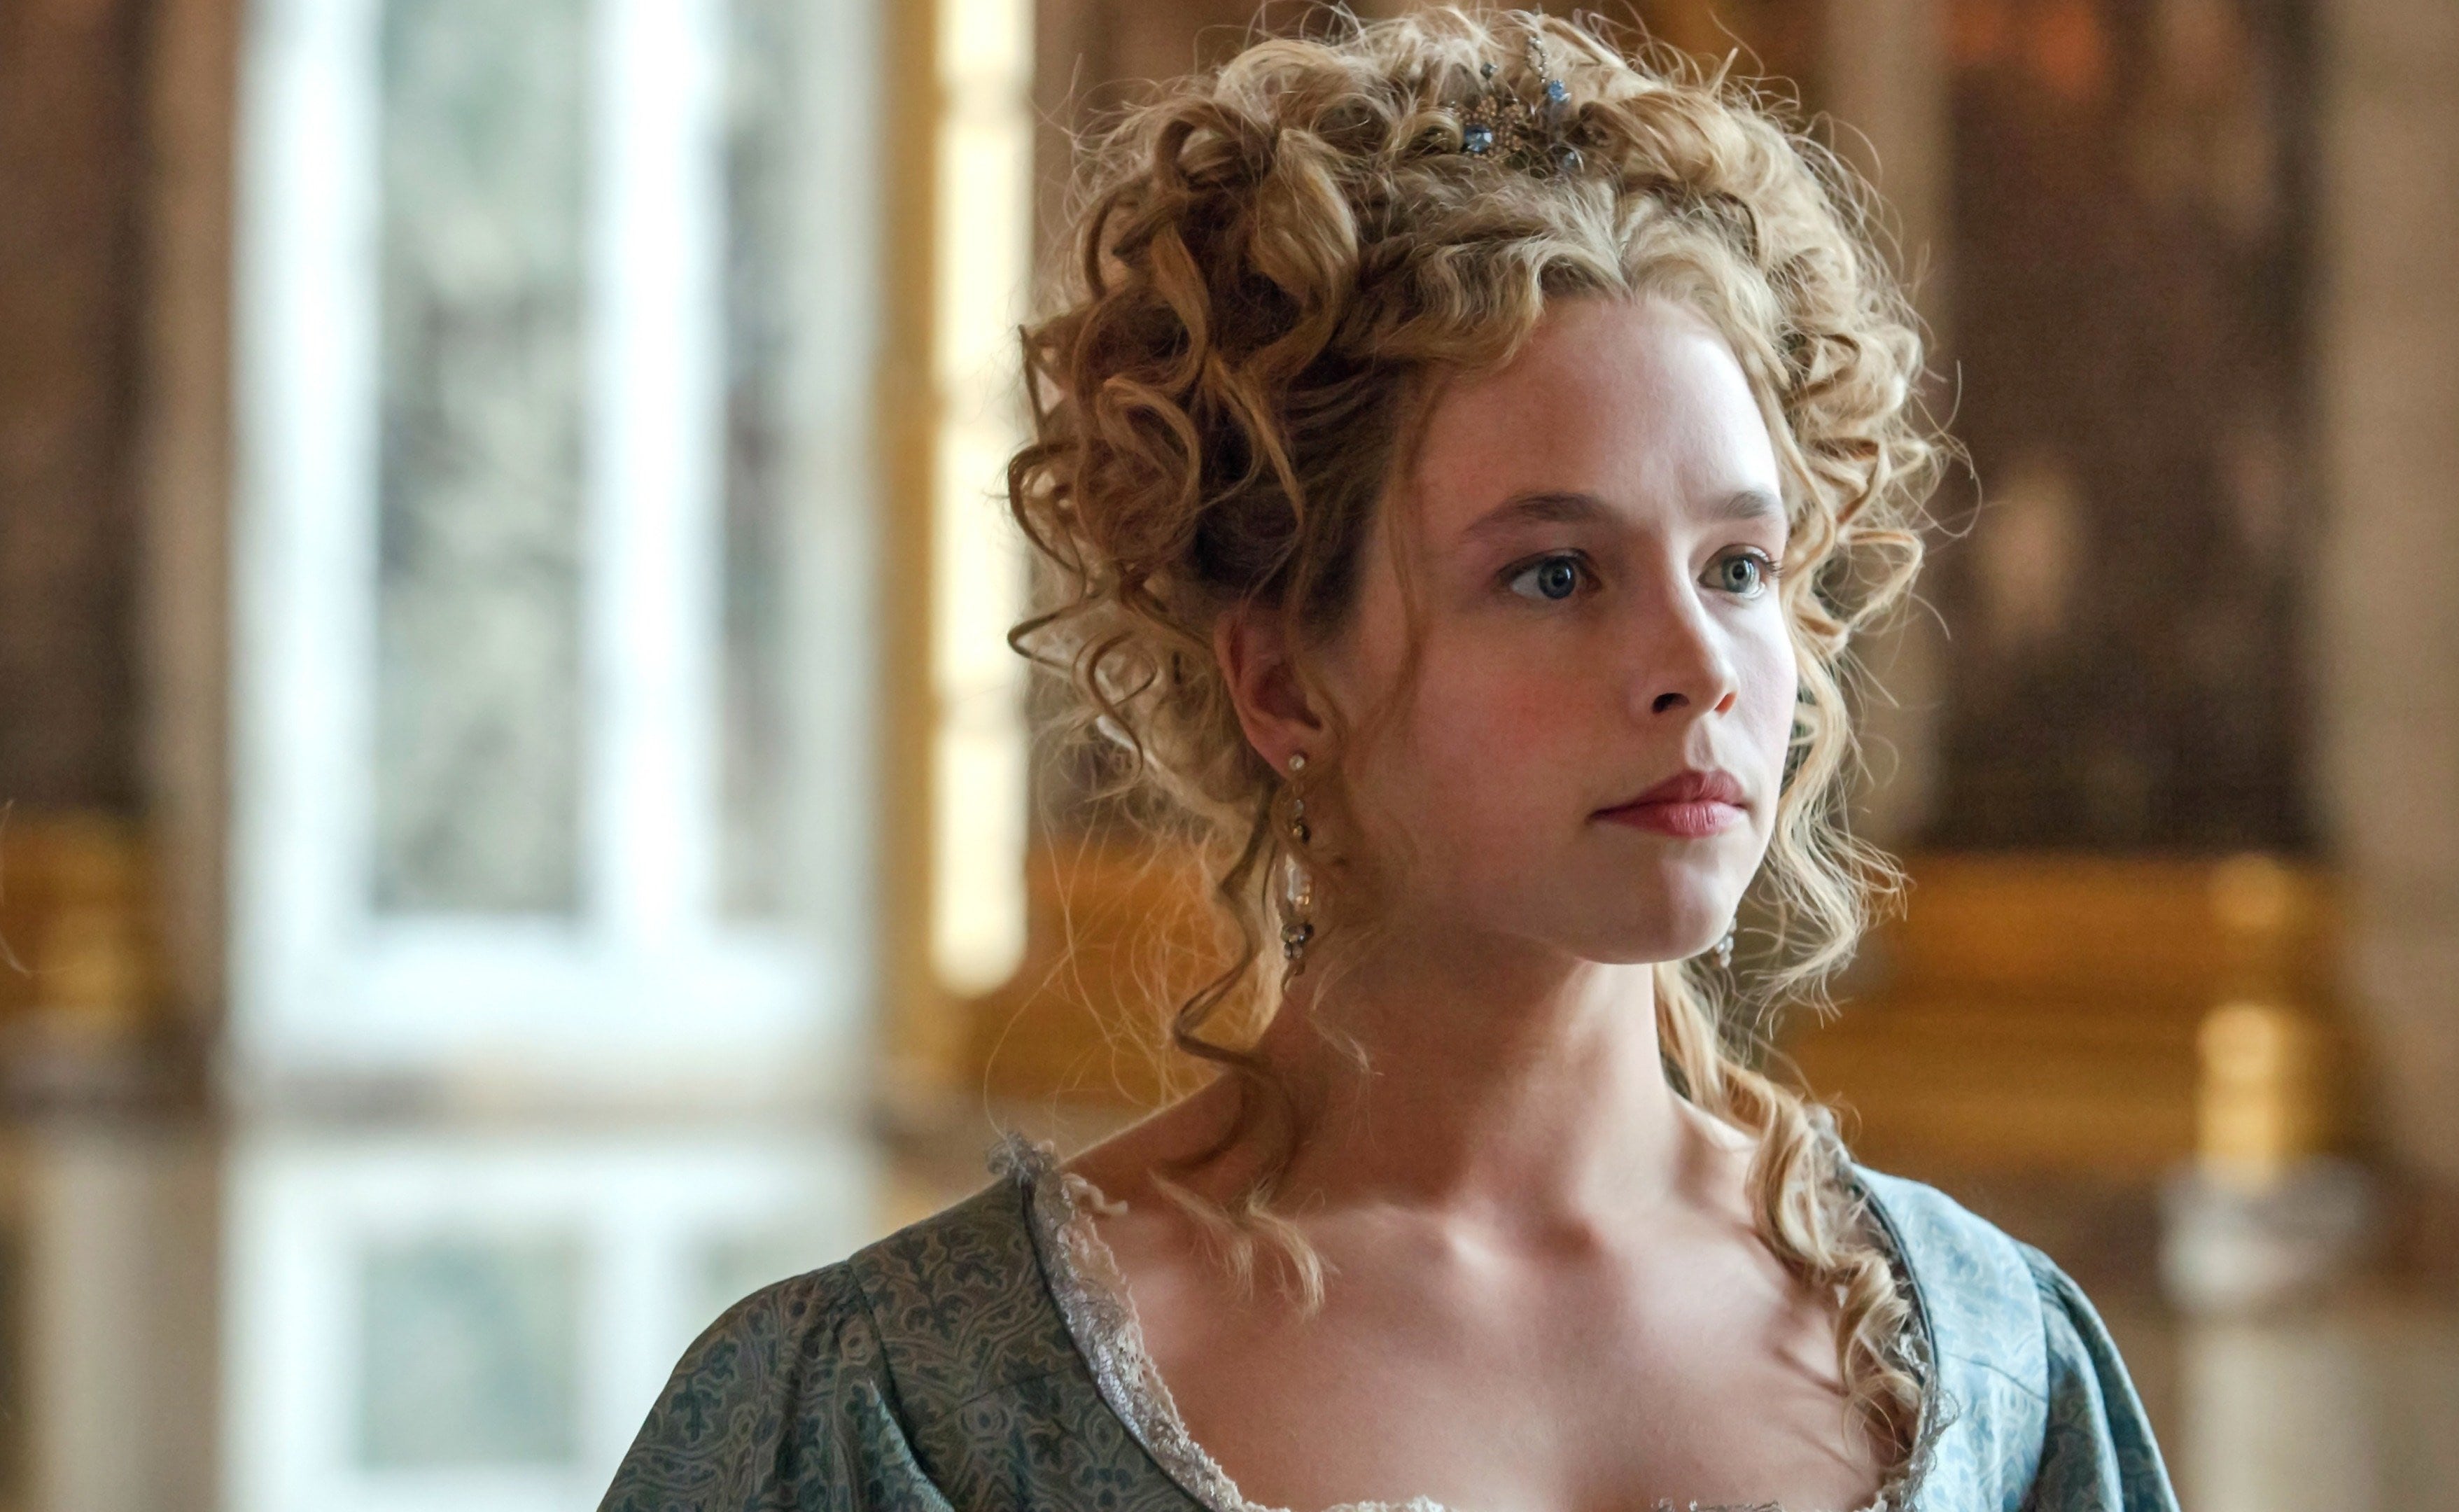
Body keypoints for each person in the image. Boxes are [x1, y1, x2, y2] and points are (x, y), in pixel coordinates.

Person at [603, 10, 2176, 1510]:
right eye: (1556, 575)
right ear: (1284, 680)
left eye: (1738, 568)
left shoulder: (1996, 1372)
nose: (1698, 668)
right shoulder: (914, 1405)